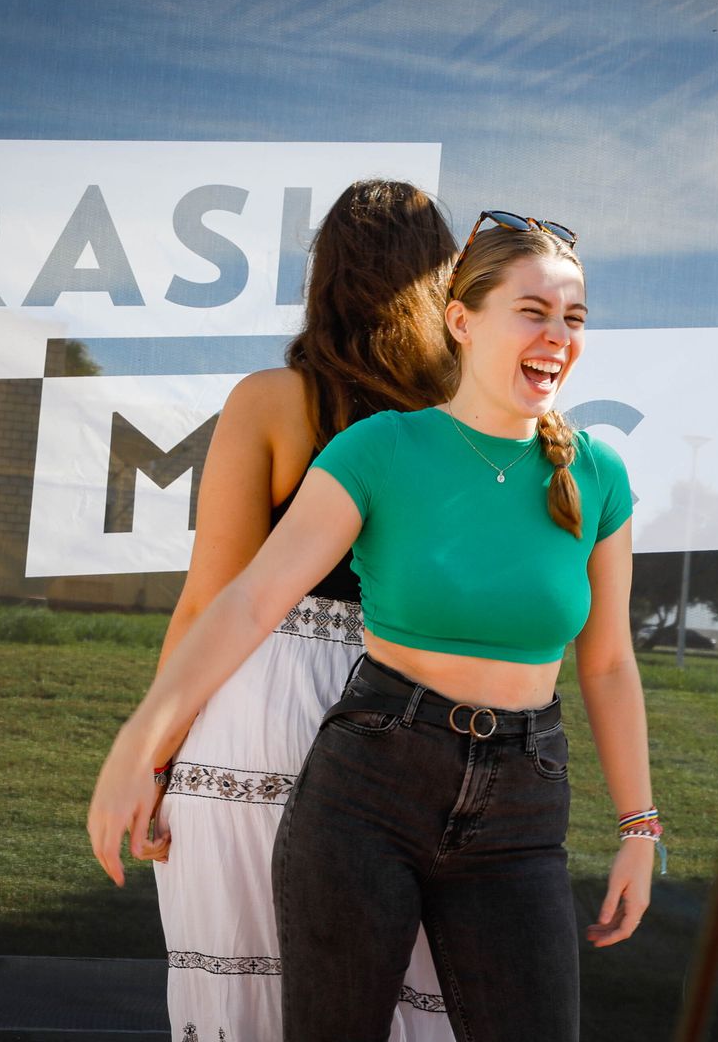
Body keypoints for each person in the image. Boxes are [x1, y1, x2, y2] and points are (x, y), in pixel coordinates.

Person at [91, 211, 659, 1042]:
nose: (557, 336)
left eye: (573, 318)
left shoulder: (599, 474)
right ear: (461, 321)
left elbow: (607, 664)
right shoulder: (376, 451)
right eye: (532, 311)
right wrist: (136, 749)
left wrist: (640, 828)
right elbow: (248, 601)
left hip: (522, 804)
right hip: (371, 787)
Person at [137, 180, 460, 1042]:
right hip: (424, 712)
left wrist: (150, 757)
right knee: (410, 997)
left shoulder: (274, 401)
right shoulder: (472, 417)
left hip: (263, 712)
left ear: (325, 278)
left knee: (251, 993)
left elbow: (211, 596)